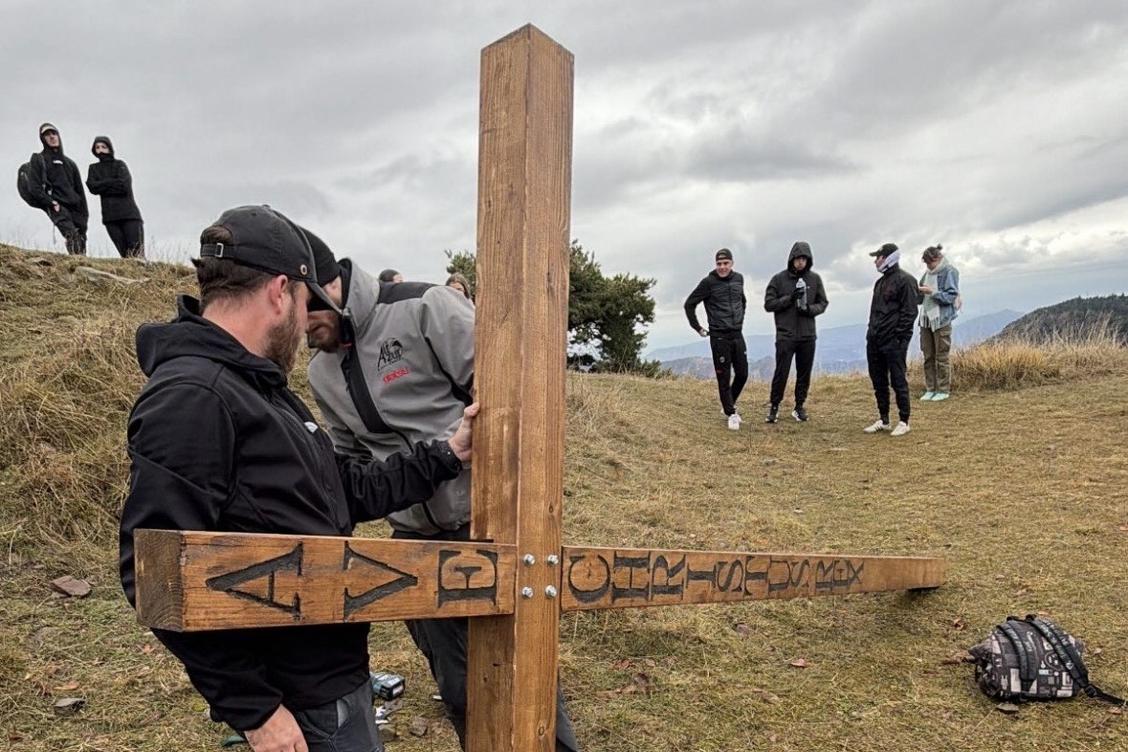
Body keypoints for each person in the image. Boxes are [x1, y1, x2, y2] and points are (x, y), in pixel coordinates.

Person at [119, 205, 478, 752]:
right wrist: (255, 711)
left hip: (328, 679)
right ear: (281, 291)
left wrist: (447, 454)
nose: (308, 325)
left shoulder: (259, 390)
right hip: (297, 699)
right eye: (308, 302)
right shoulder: (194, 397)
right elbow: (153, 569)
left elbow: (342, 490)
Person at [302, 233, 581, 751]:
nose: (302, 326)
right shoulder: (320, 372)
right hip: (414, 540)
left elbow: (511, 390)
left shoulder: (422, 307)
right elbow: (352, 460)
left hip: (488, 521)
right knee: (458, 688)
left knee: (526, 682)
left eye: (306, 312)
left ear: (328, 287)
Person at [763, 241, 828, 423]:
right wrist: (789, 299)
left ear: (808, 260)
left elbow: (823, 303)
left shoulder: (814, 279)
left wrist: (809, 309)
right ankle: (774, 406)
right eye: (798, 258)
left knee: (804, 373)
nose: (800, 262)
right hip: (786, 334)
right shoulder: (779, 279)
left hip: (807, 335)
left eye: (804, 259)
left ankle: (799, 406)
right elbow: (769, 304)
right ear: (792, 259)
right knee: (781, 372)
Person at [684, 248, 748, 430]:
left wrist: (740, 320)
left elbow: (742, 301)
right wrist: (698, 328)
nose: (722, 267)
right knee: (724, 377)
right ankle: (731, 413)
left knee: (742, 374)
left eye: (725, 263)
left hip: (737, 333)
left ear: (732, 263)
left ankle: (728, 404)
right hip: (719, 336)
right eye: (719, 264)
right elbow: (689, 304)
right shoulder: (708, 283)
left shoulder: (739, 279)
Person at [863, 243, 919, 437]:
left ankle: (904, 421)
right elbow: (874, 312)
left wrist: (899, 339)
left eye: (877, 257)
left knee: (897, 380)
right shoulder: (879, 283)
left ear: (888, 257)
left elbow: (910, 312)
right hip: (875, 340)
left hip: (894, 342)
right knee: (878, 380)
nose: (875, 261)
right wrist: (871, 333)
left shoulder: (906, 280)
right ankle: (884, 419)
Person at [26, 123, 88, 255]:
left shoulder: (70, 163)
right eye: (47, 135)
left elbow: (80, 191)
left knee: (81, 241)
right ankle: (78, 264)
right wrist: (51, 202)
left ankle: (81, 269)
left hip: (76, 208)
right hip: (57, 206)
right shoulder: (38, 159)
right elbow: (34, 187)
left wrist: (84, 214)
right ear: (43, 139)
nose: (52, 137)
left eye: (53, 133)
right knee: (72, 236)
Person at [86, 136, 144, 258]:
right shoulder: (93, 168)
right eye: (97, 147)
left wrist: (102, 184)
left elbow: (124, 186)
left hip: (130, 215)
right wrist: (112, 182)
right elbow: (92, 187)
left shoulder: (119, 164)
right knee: (125, 256)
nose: (100, 150)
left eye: (103, 147)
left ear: (109, 148)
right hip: (110, 218)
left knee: (137, 255)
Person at [917, 244, 960, 401]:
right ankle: (930, 388)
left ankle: (943, 389)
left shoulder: (950, 271)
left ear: (937, 259)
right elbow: (920, 296)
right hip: (926, 319)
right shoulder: (927, 274)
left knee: (941, 355)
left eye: (930, 262)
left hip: (941, 319)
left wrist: (932, 293)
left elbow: (951, 296)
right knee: (928, 355)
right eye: (926, 263)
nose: (929, 266)